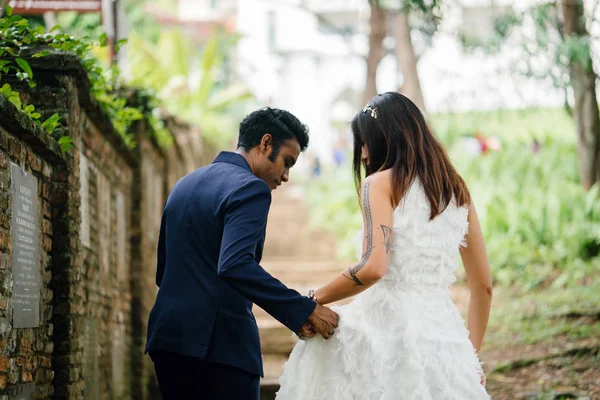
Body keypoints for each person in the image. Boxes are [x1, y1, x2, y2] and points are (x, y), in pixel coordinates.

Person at [277, 93, 493, 399]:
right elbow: (483, 286)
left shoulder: (378, 183)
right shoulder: (457, 192)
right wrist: (471, 357)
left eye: (365, 142)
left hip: (386, 333)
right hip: (445, 339)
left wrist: (312, 299)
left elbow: (373, 267)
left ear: (385, 138)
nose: (363, 154)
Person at [145, 107, 339, 400]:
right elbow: (235, 264)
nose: (286, 176)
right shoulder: (251, 188)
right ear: (265, 143)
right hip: (220, 348)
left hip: (168, 340)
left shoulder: (184, 185)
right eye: (287, 162)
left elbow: (164, 273)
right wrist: (303, 309)